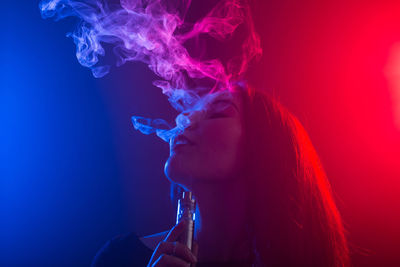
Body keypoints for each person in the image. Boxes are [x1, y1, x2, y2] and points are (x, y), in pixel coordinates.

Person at [91, 85, 350, 267]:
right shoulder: (121, 258)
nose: (184, 121)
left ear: (263, 147)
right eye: (189, 113)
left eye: (218, 113)